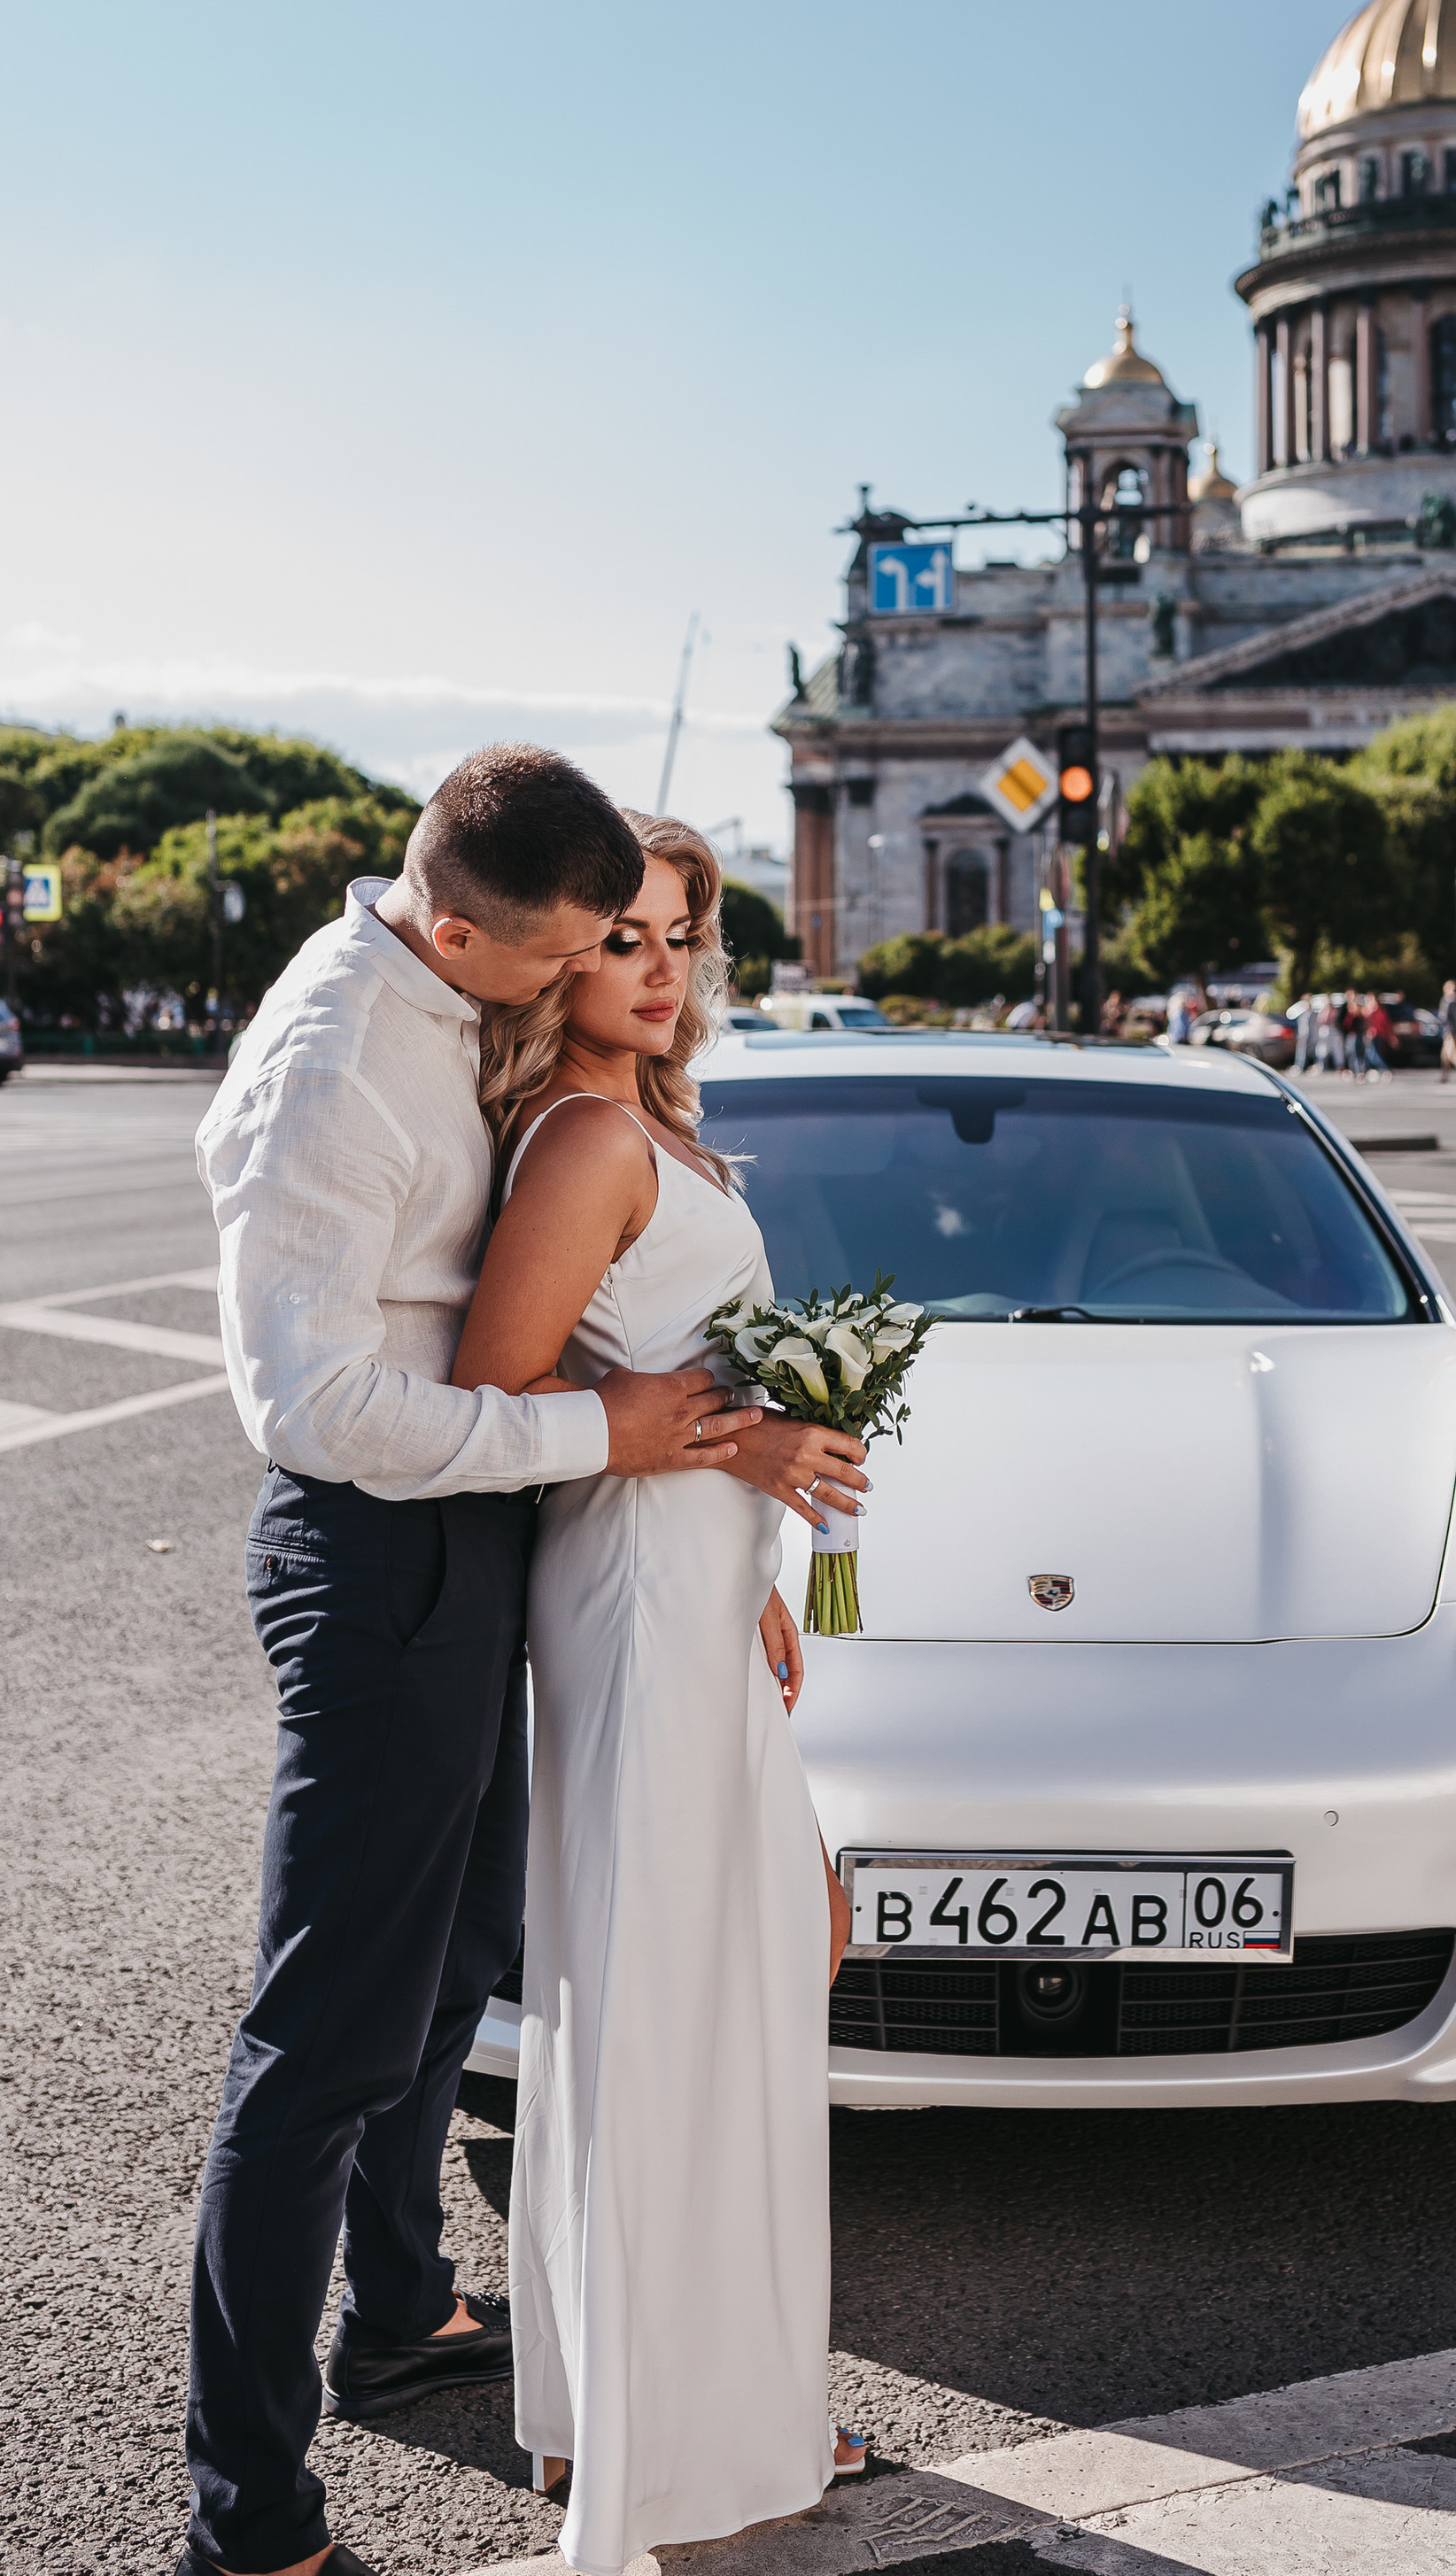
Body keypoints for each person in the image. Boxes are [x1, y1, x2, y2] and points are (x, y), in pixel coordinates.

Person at [179, 749, 859, 2576]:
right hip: (378, 1548)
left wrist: (705, 1497)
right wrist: (628, 1436)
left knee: (454, 1967)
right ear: (473, 934)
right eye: (581, 949)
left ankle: (404, 2304)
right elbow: (317, 1408)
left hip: (485, 1535)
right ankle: (248, 2522)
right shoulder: (336, 1064)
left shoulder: (465, 1002)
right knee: (324, 2037)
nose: (615, 972)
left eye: (652, 938)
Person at [453, 817, 860, 2576]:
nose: (658, 968)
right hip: (625, 1603)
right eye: (622, 937)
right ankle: (644, 2440)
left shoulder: (663, 1130)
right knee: (654, 2006)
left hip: (697, 1600)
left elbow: (654, 1366)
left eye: (680, 936)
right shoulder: (586, 1134)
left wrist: (752, 1555)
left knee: (730, 1989)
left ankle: (687, 2409)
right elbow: (502, 1389)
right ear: (560, 955)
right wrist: (741, 1444)